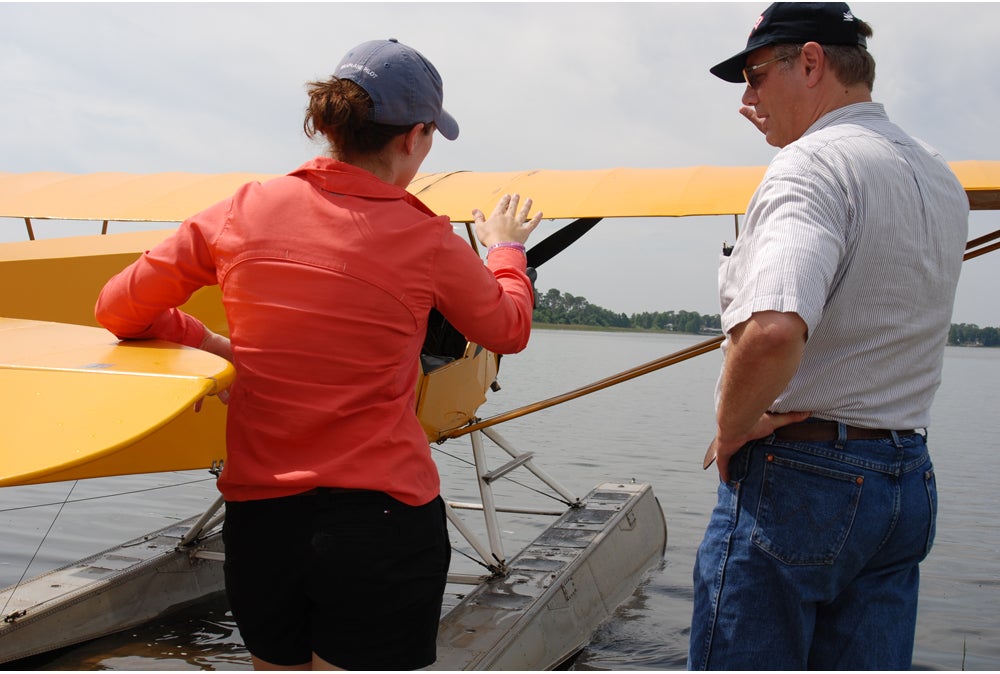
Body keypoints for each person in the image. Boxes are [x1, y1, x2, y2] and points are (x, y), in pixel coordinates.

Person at [95, 38, 542, 671]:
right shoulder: (427, 237)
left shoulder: (241, 209)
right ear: (414, 137)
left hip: (261, 520)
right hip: (382, 521)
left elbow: (118, 309)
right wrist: (505, 251)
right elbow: (509, 329)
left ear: (333, 124)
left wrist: (212, 345)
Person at [690, 3, 969, 669]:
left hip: (800, 483)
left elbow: (772, 330)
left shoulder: (810, 165)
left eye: (756, 76)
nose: (747, 101)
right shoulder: (941, 176)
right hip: (906, 480)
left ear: (811, 63)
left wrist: (731, 428)